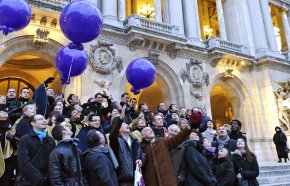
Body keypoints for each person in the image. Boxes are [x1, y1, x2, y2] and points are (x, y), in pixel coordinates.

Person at [140, 110, 202, 186]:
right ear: (142, 136)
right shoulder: (141, 148)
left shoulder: (162, 142)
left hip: (169, 182)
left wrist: (190, 127)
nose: (151, 130)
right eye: (147, 130)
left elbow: (177, 138)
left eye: (151, 129)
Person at [17, 114, 56, 186]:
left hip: (46, 181)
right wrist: (38, 178)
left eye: (44, 119)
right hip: (29, 181)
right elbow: (24, 162)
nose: (44, 120)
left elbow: (53, 161)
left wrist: (47, 178)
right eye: (41, 119)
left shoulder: (51, 140)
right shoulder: (24, 139)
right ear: (33, 123)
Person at [109, 116, 143, 186]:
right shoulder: (116, 141)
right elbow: (112, 136)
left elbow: (142, 154)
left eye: (127, 124)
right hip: (124, 181)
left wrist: (141, 160)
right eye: (124, 124)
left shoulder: (135, 141)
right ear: (118, 128)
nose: (127, 125)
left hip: (137, 179)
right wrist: (120, 120)